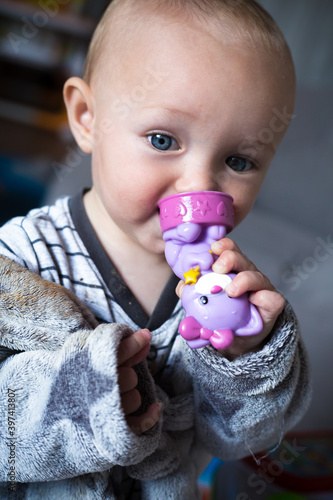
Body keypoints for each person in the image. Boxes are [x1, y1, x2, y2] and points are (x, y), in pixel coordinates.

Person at [0, 0, 311, 498]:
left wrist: (249, 358)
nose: (198, 188)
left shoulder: (226, 286)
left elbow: (240, 438)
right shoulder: (21, 262)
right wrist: (86, 395)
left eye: (238, 159)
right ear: (86, 118)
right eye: (163, 140)